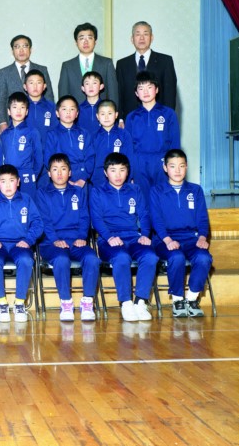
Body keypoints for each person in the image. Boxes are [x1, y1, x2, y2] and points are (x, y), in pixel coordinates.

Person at [90, 153, 158, 322]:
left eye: (122, 170)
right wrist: (109, 237)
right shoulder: (97, 191)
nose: (118, 174)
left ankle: (140, 302)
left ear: (128, 172)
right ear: (105, 172)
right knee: (121, 257)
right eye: (113, 170)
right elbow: (96, 219)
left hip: (133, 237)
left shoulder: (135, 190)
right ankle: (126, 303)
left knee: (150, 256)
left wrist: (145, 235)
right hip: (108, 240)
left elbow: (144, 215)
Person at [36, 154, 100, 321]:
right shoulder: (42, 193)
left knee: (92, 258)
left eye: (63, 169)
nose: (59, 173)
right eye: (55, 169)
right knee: (61, 259)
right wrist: (55, 240)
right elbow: (44, 221)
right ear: (49, 173)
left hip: (75, 241)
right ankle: (66, 302)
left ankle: (87, 302)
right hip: (51, 242)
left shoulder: (78, 192)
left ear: (70, 172)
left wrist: (81, 236)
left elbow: (85, 217)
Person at [149, 149, 212, 318]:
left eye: (181, 166)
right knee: (176, 257)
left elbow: (202, 218)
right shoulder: (156, 191)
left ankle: (191, 299)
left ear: (186, 167)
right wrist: (168, 240)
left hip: (191, 238)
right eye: (172, 166)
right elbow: (156, 219)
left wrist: (202, 237)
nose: (177, 170)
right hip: (164, 239)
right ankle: (177, 300)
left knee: (204, 258)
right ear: (165, 168)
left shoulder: (195, 190)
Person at [0, 164, 43, 324]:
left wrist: (28, 240)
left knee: (26, 260)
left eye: (11, 180)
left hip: (20, 244)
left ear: (18, 182)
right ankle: (1, 303)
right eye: (3, 181)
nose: (7, 185)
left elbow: (38, 224)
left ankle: (19, 303)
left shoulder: (27, 200)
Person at [125, 71, 180, 197]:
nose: (145, 91)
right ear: (136, 93)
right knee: (142, 200)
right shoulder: (131, 117)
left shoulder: (169, 114)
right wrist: (130, 172)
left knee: (163, 199)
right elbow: (128, 147)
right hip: (139, 164)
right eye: (141, 88)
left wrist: (173, 166)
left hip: (161, 162)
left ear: (157, 90)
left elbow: (175, 143)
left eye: (149, 87)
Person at [116, 21, 178, 122]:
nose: (141, 38)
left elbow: (170, 94)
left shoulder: (165, 61)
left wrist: (167, 118)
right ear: (132, 39)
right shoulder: (122, 64)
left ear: (151, 38)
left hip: (158, 119)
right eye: (138, 34)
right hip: (131, 120)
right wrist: (120, 119)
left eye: (145, 34)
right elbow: (119, 94)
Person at [0, 35, 54, 135]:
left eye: (25, 46)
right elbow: (0, 100)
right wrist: (2, 123)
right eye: (17, 47)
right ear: (12, 51)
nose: (21, 50)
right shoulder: (3, 72)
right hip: (12, 123)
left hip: (39, 122)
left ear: (31, 50)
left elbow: (49, 97)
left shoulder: (42, 70)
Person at [57, 22, 119, 106]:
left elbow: (113, 93)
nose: (86, 42)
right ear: (76, 42)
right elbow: (63, 94)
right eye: (82, 38)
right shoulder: (67, 66)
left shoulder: (107, 63)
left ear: (95, 41)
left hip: (101, 112)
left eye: (89, 38)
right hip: (75, 112)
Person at [44, 96, 95, 187]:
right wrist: (64, 180)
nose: (68, 112)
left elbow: (90, 156)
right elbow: (48, 159)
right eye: (64, 109)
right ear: (57, 113)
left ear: (77, 114)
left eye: (72, 109)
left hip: (81, 177)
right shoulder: (52, 135)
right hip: (60, 177)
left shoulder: (84, 133)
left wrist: (83, 178)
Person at [0, 92, 43, 198]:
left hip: (26, 175)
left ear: (27, 111)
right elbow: (3, 157)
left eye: (22, 107)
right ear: (9, 111)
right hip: (9, 176)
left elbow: (39, 157)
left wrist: (33, 174)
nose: (18, 111)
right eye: (15, 107)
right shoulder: (5, 134)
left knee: (27, 204)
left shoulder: (32, 132)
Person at [90, 100, 133, 188]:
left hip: (119, 177)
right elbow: (91, 160)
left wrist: (130, 177)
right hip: (98, 179)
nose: (106, 117)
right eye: (102, 114)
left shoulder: (124, 134)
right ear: (97, 116)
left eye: (110, 113)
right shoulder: (93, 136)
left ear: (116, 115)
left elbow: (130, 158)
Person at [23, 69, 55, 150]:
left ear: (44, 86)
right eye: (31, 83)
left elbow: (55, 130)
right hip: (26, 149)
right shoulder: (20, 107)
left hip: (47, 149)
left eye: (39, 83)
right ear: (25, 87)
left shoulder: (51, 107)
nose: (35, 86)